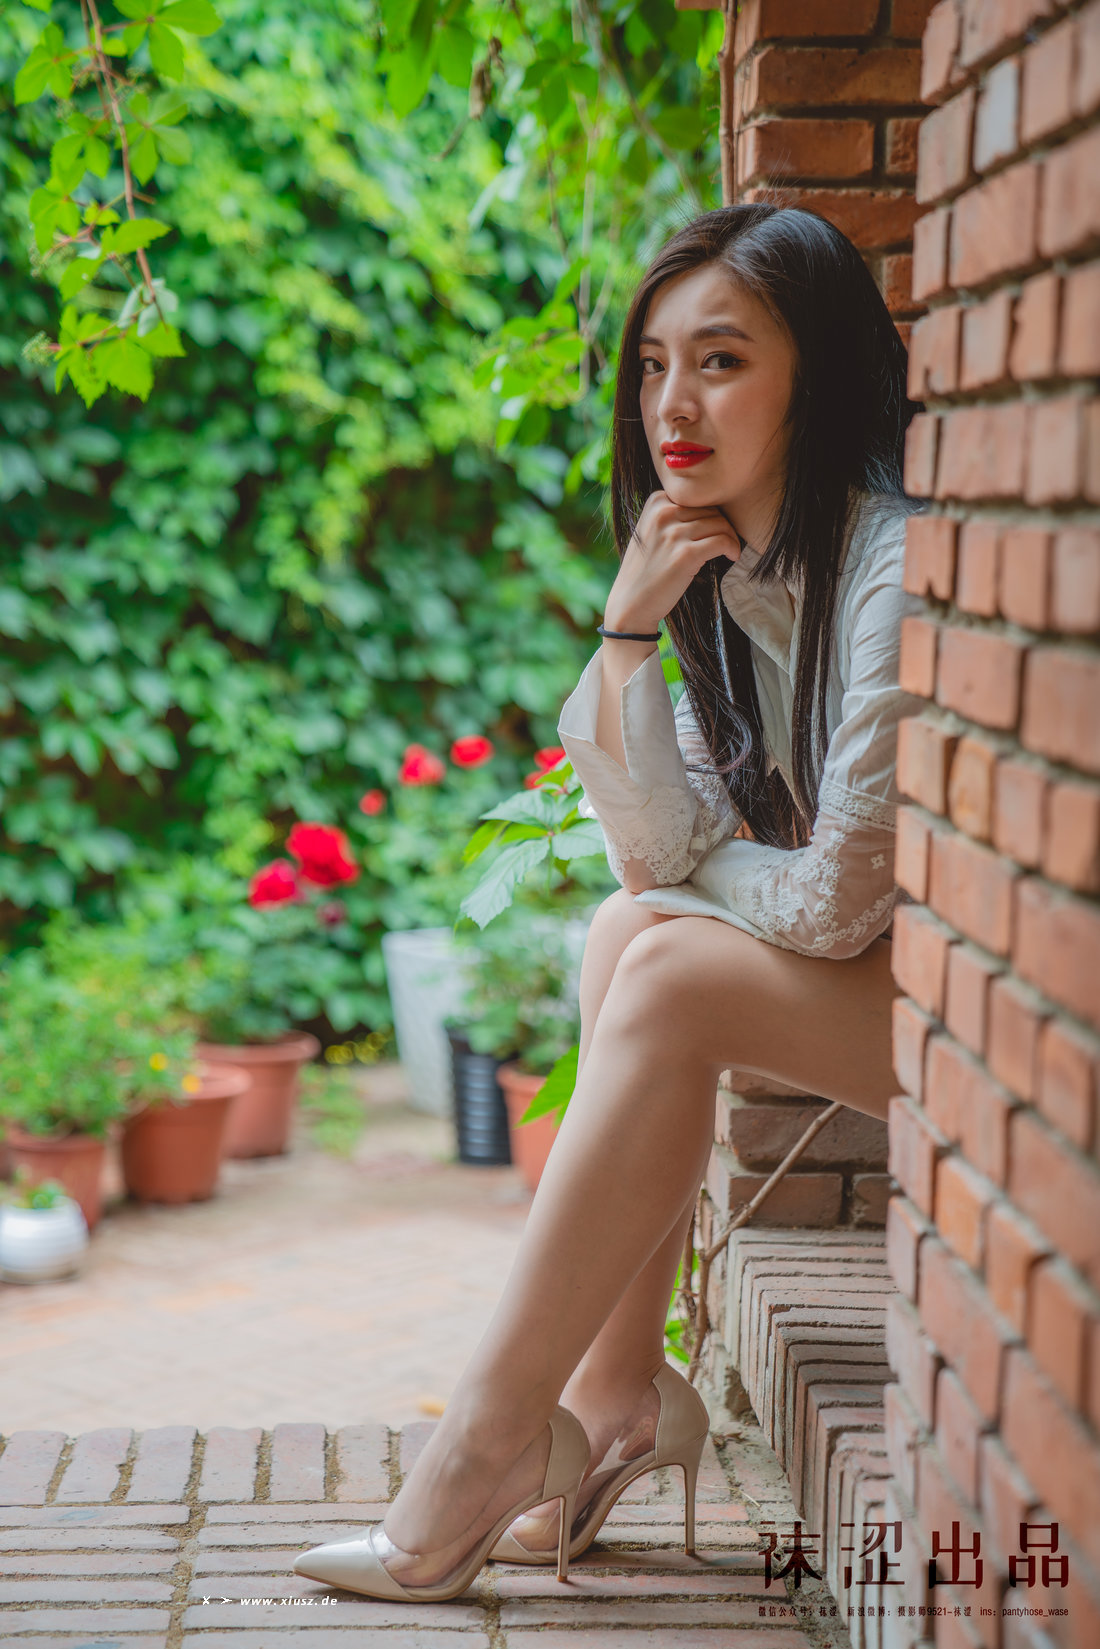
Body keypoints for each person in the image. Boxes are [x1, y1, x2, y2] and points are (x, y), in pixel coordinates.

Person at [292, 201, 928, 1602]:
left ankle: (486, 1446)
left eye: (721, 360)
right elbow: (656, 858)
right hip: (887, 990)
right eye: (652, 366)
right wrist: (631, 631)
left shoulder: (890, 566)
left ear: (815, 375)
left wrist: (703, 871)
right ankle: (618, 1391)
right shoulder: (725, 572)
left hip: (991, 1035)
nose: (670, 405)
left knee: (670, 961)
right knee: (628, 931)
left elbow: (832, 904)